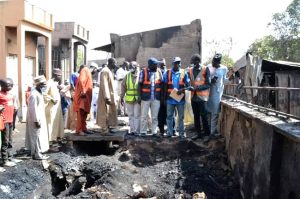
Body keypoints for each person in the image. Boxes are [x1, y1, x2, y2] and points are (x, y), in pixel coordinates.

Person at [164, 57, 190, 138]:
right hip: (170, 99)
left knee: (181, 117)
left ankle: (181, 133)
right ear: (173, 64)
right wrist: (164, 98)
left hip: (180, 100)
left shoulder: (183, 73)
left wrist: (182, 89)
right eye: (176, 63)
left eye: (179, 63)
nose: (178, 64)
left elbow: (188, 86)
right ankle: (170, 132)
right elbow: (164, 86)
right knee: (169, 116)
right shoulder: (167, 72)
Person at [25, 75, 49, 160]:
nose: (44, 86)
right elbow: (33, 109)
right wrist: (36, 120)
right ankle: (37, 154)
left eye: (45, 84)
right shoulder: (34, 94)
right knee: (36, 137)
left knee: (38, 136)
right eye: (43, 84)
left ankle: (38, 153)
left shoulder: (39, 93)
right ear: (38, 85)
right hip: (35, 119)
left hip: (39, 118)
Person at [138, 57, 163, 136]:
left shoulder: (158, 71)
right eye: (155, 65)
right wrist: (139, 96)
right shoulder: (143, 72)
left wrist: (161, 97)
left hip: (156, 98)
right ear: (150, 65)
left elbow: (162, 83)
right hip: (145, 98)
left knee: (155, 117)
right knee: (144, 116)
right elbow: (139, 84)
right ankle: (143, 132)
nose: (157, 66)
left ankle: (154, 132)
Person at [188, 54, 211, 139]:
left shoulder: (205, 69)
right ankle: (198, 134)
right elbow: (189, 82)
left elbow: (208, 84)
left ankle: (207, 134)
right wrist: (189, 86)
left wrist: (197, 88)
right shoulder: (190, 70)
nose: (192, 64)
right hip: (193, 98)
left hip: (202, 98)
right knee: (196, 116)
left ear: (198, 61)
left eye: (193, 62)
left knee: (204, 116)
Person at [207, 53, 229, 136]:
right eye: (212, 61)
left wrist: (230, 78)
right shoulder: (208, 67)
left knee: (215, 113)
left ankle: (212, 132)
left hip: (217, 93)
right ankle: (208, 130)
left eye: (215, 63)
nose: (213, 64)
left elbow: (225, 81)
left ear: (219, 62)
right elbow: (204, 78)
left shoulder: (224, 68)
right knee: (208, 111)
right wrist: (210, 81)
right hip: (208, 92)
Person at [96, 58, 118, 133]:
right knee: (104, 112)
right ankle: (104, 130)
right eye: (115, 63)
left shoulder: (109, 71)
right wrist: (107, 97)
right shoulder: (105, 71)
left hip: (109, 94)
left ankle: (108, 127)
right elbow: (104, 84)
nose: (116, 65)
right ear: (111, 63)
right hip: (105, 96)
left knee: (109, 112)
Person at [120, 61, 140, 135]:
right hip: (129, 99)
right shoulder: (127, 76)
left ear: (136, 67)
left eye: (132, 67)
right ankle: (132, 130)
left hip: (137, 99)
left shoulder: (140, 75)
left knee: (137, 115)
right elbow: (123, 87)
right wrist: (121, 97)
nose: (131, 69)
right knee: (131, 115)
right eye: (130, 67)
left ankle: (137, 131)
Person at [44, 68, 64, 141]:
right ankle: (50, 142)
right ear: (56, 75)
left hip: (56, 108)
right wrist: (51, 99)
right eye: (60, 76)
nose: (61, 77)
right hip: (51, 108)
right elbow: (44, 93)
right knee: (51, 125)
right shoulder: (49, 82)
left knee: (56, 124)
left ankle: (55, 139)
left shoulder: (54, 83)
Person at [0, 79, 16, 166]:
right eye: (7, 85)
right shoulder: (0, 95)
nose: (9, 87)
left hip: (10, 120)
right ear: (2, 86)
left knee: (10, 140)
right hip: (4, 120)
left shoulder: (10, 95)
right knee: (5, 141)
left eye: (11, 85)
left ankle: (10, 157)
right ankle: (4, 159)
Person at [73, 65, 93, 136]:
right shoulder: (85, 70)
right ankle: (79, 130)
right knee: (81, 113)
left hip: (85, 96)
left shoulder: (86, 71)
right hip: (82, 97)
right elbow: (82, 80)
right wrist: (83, 91)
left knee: (84, 113)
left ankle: (84, 128)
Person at [157, 58, 167, 135]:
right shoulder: (157, 73)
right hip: (159, 97)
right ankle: (161, 130)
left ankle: (171, 130)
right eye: (161, 64)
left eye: (164, 64)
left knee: (169, 115)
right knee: (160, 115)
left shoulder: (168, 72)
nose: (163, 66)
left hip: (167, 97)